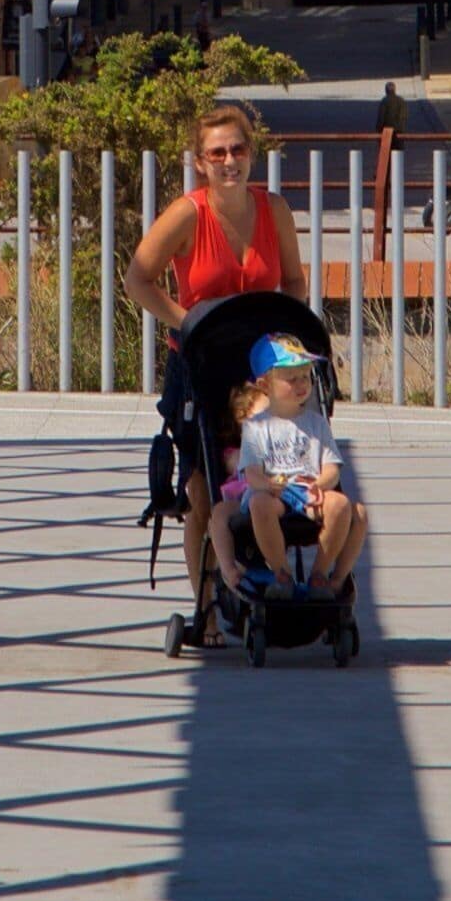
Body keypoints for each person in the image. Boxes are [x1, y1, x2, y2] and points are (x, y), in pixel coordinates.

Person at [126, 102, 307, 635]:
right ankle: (206, 605)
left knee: (264, 477)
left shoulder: (273, 210)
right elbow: (138, 279)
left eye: (239, 149)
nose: (230, 160)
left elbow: (294, 281)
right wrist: (188, 322)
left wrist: (289, 330)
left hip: (261, 369)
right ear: (200, 162)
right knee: (203, 489)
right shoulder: (189, 213)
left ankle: (274, 581)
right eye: (218, 153)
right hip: (200, 365)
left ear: (252, 153)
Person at [231, 334, 363, 592]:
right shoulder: (257, 427)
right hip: (273, 493)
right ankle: (282, 572)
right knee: (259, 504)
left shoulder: (316, 423)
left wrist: (321, 484)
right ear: (265, 385)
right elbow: (252, 473)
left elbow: (331, 467)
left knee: (342, 504)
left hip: (308, 490)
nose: (301, 383)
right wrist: (269, 485)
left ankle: (320, 573)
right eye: (291, 379)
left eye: (305, 376)